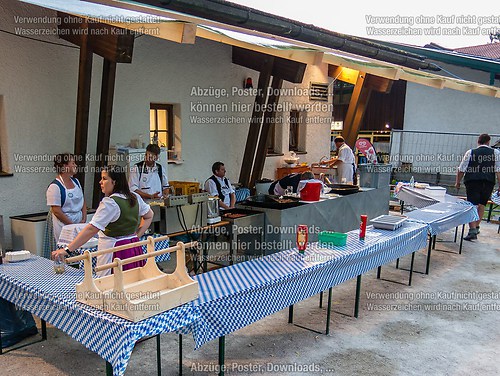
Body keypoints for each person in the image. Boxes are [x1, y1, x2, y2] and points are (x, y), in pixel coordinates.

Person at [52, 165, 154, 277]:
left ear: (114, 182)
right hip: (133, 247)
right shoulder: (134, 197)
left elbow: (91, 229)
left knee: (110, 284)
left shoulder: (110, 203)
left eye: (104, 179)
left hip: (114, 251)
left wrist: (67, 250)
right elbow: (149, 215)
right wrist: (136, 236)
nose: (100, 182)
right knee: (133, 280)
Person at [456, 133, 500, 241]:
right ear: (488, 142)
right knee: (482, 204)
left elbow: (461, 169)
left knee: (472, 205)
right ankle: (476, 227)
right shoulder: (495, 153)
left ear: (478, 141)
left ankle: (472, 230)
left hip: (472, 181)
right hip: (488, 182)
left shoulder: (470, 152)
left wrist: (457, 182)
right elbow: (498, 170)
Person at [46, 153, 87, 245]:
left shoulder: (76, 182)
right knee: (66, 249)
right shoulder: (55, 187)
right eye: (73, 163)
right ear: (64, 166)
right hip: (64, 225)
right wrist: (71, 225)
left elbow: (83, 200)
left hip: (79, 222)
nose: (76, 165)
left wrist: (84, 218)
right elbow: (56, 211)